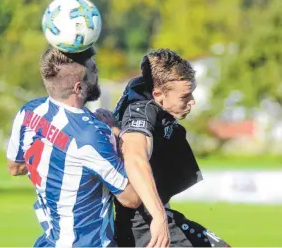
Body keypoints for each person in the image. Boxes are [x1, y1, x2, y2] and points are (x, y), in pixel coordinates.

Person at [5, 47, 169, 247]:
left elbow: (15, 167)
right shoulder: (90, 136)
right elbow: (131, 197)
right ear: (78, 88)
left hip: (49, 241)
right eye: (92, 70)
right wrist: (116, 134)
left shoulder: (29, 112)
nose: (97, 72)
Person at [95, 48, 231, 247]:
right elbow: (135, 157)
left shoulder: (142, 88)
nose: (192, 101)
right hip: (143, 226)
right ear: (158, 95)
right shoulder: (141, 113)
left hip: (155, 217)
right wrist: (159, 218)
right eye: (185, 96)